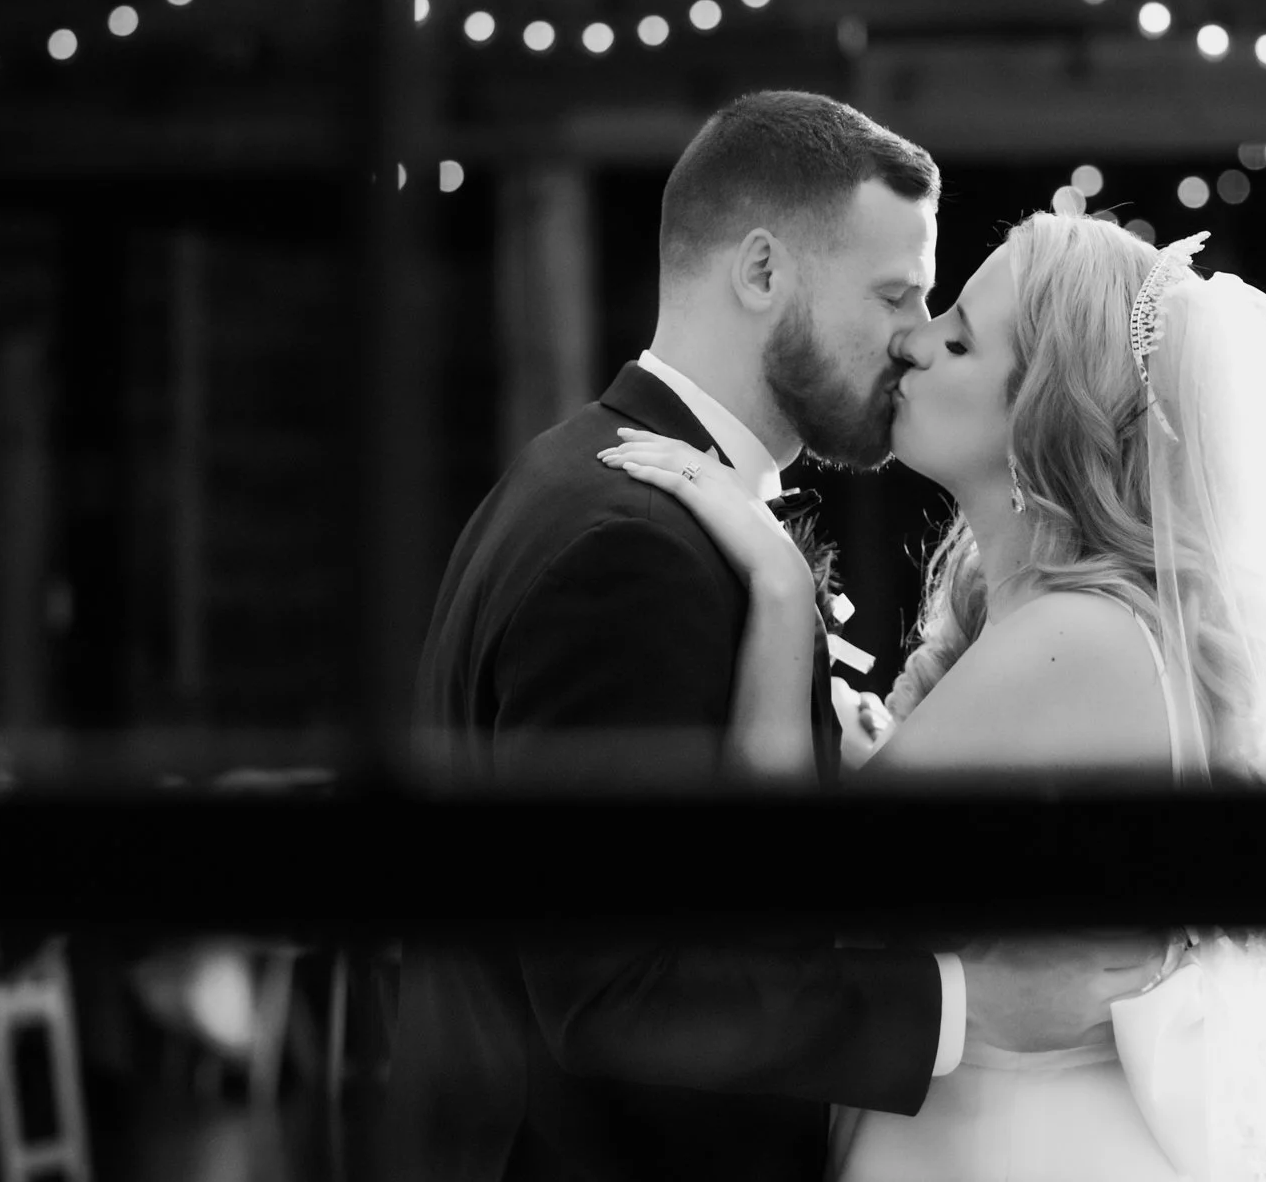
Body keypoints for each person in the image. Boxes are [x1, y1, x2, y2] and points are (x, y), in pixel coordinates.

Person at [384, 92, 1170, 1182]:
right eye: (897, 297)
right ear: (760, 274)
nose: (911, 337)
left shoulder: (604, 491)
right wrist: (962, 1001)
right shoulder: (632, 548)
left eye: (940, 315)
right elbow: (619, 989)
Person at [606, 211, 1266, 1179]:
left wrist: (781, 600)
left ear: (1042, 411)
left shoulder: (1077, 640)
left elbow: (777, 901)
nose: (911, 340)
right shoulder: (1055, 625)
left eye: (955, 337)